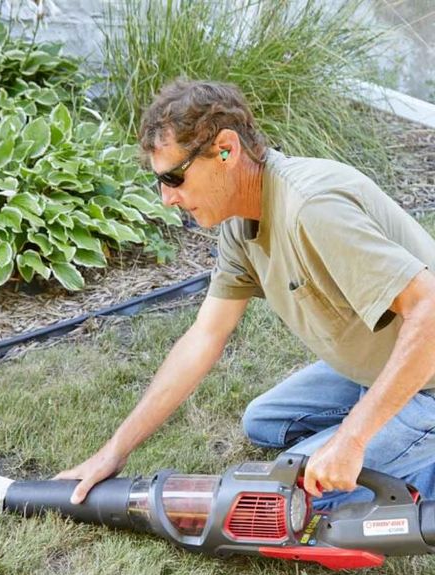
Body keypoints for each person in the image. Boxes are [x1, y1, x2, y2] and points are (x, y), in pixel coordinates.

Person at [56, 79, 435, 510]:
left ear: (226, 150)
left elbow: (430, 310)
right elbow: (205, 336)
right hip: (385, 367)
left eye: (174, 177)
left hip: (429, 376)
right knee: (264, 422)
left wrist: (352, 439)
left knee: (290, 499)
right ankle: (390, 429)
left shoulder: (312, 208)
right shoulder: (240, 222)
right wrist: (115, 451)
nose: (166, 199)